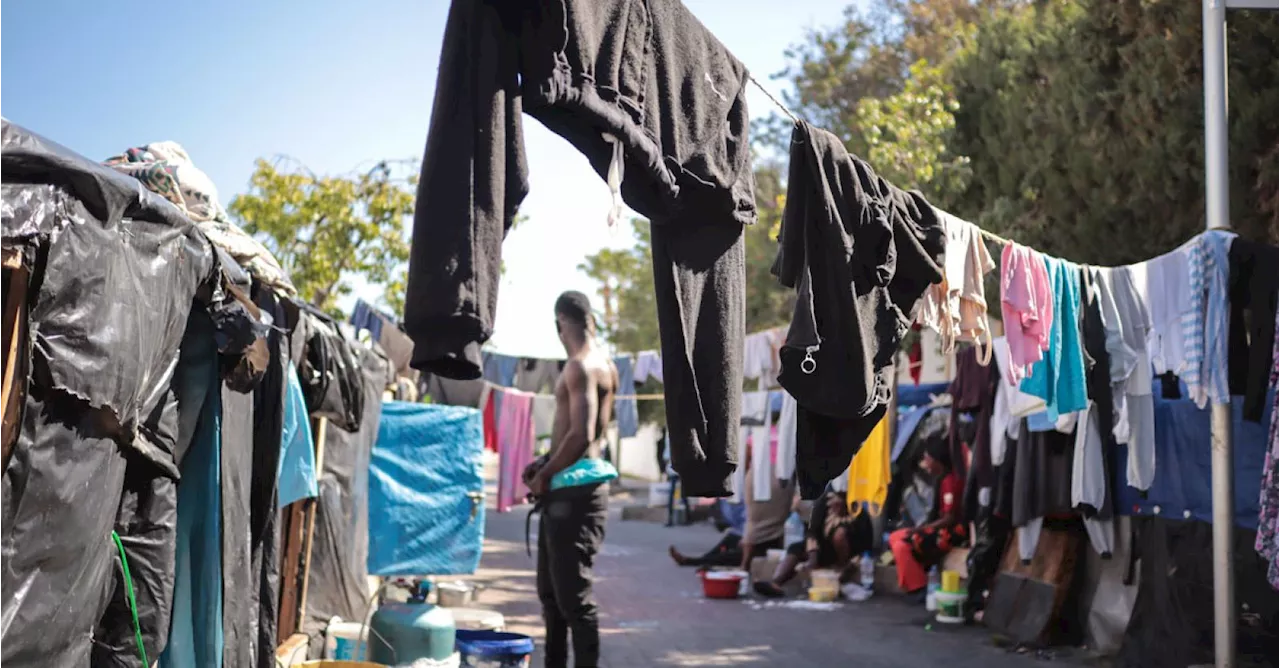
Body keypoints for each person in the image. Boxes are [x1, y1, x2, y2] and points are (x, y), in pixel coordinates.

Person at [525, 291, 619, 668]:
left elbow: (581, 435)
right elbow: (584, 434)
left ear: (560, 323)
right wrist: (543, 464)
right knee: (553, 597)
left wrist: (544, 475)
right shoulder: (606, 364)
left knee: (573, 600)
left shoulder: (579, 365)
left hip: (574, 497)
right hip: (572, 489)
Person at [754, 485, 873, 598]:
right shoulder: (822, 505)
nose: (833, 507)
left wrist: (845, 570)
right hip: (823, 550)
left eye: (838, 505)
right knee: (796, 548)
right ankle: (776, 582)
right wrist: (812, 558)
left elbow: (864, 551)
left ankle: (838, 568)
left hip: (846, 557)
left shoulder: (861, 517)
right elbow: (812, 533)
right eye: (832, 504)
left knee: (840, 534)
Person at [887, 438, 967, 594]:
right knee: (895, 537)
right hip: (942, 528)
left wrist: (924, 528)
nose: (925, 463)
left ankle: (918, 587)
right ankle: (916, 583)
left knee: (902, 544)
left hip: (953, 531)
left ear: (937, 461)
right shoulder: (942, 480)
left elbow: (949, 519)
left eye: (927, 459)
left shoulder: (949, 481)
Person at [668, 499, 747, 568]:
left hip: (755, 542)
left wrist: (747, 538)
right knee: (731, 537)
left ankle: (692, 561)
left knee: (729, 556)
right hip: (748, 535)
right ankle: (703, 559)